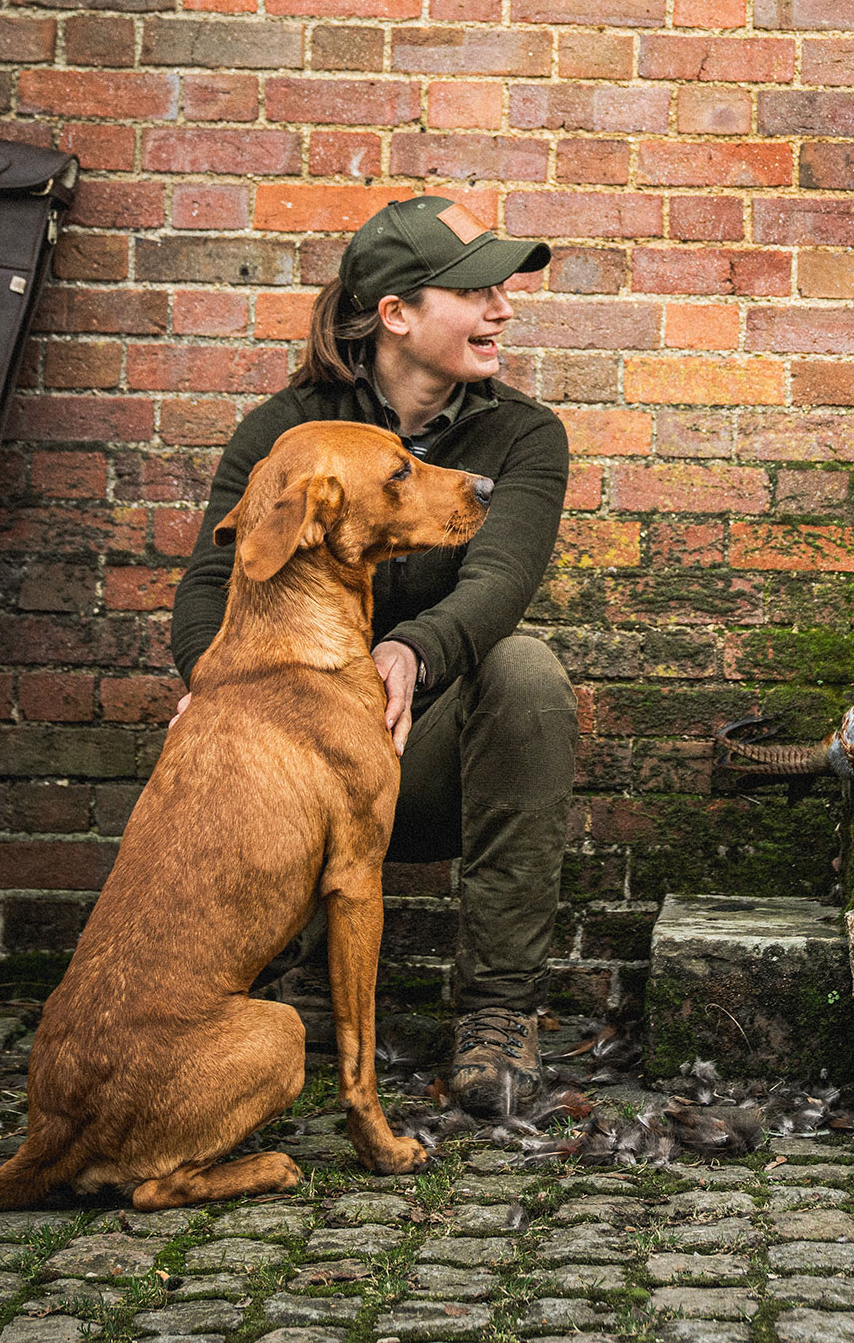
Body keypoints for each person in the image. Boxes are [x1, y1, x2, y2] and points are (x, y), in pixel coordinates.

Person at [171, 194, 574, 1116]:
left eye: (503, 290)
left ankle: (498, 1013)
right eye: (475, 291)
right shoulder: (290, 433)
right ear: (397, 314)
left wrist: (410, 653)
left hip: (423, 753)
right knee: (244, 708)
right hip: (304, 753)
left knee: (526, 673)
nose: (502, 308)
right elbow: (209, 583)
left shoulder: (522, 436)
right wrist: (213, 680)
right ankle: (297, 983)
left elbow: (500, 580)